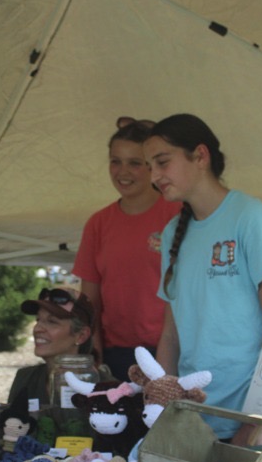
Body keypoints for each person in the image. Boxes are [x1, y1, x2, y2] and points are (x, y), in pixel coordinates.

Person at [144, 113, 262, 444]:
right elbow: (170, 336)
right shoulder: (172, 233)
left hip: (246, 424)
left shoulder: (251, 217)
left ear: (200, 156)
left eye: (162, 162)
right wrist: (161, 409)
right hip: (190, 423)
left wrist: (254, 423)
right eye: (149, 166)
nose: (154, 176)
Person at [72, 116, 181, 380]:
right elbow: (90, 303)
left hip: (172, 351)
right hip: (116, 354)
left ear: (152, 166)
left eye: (135, 163)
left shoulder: (179, 214)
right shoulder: (98, 223)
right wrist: (94, 357)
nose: (123, 172)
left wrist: (168, 360)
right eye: (115, 161)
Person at [7, 287, 112, 407]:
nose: (37, 328)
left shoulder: (108, 389)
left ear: (81, 336)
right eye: (38, 319)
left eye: (52, 322)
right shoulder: (25, 378)